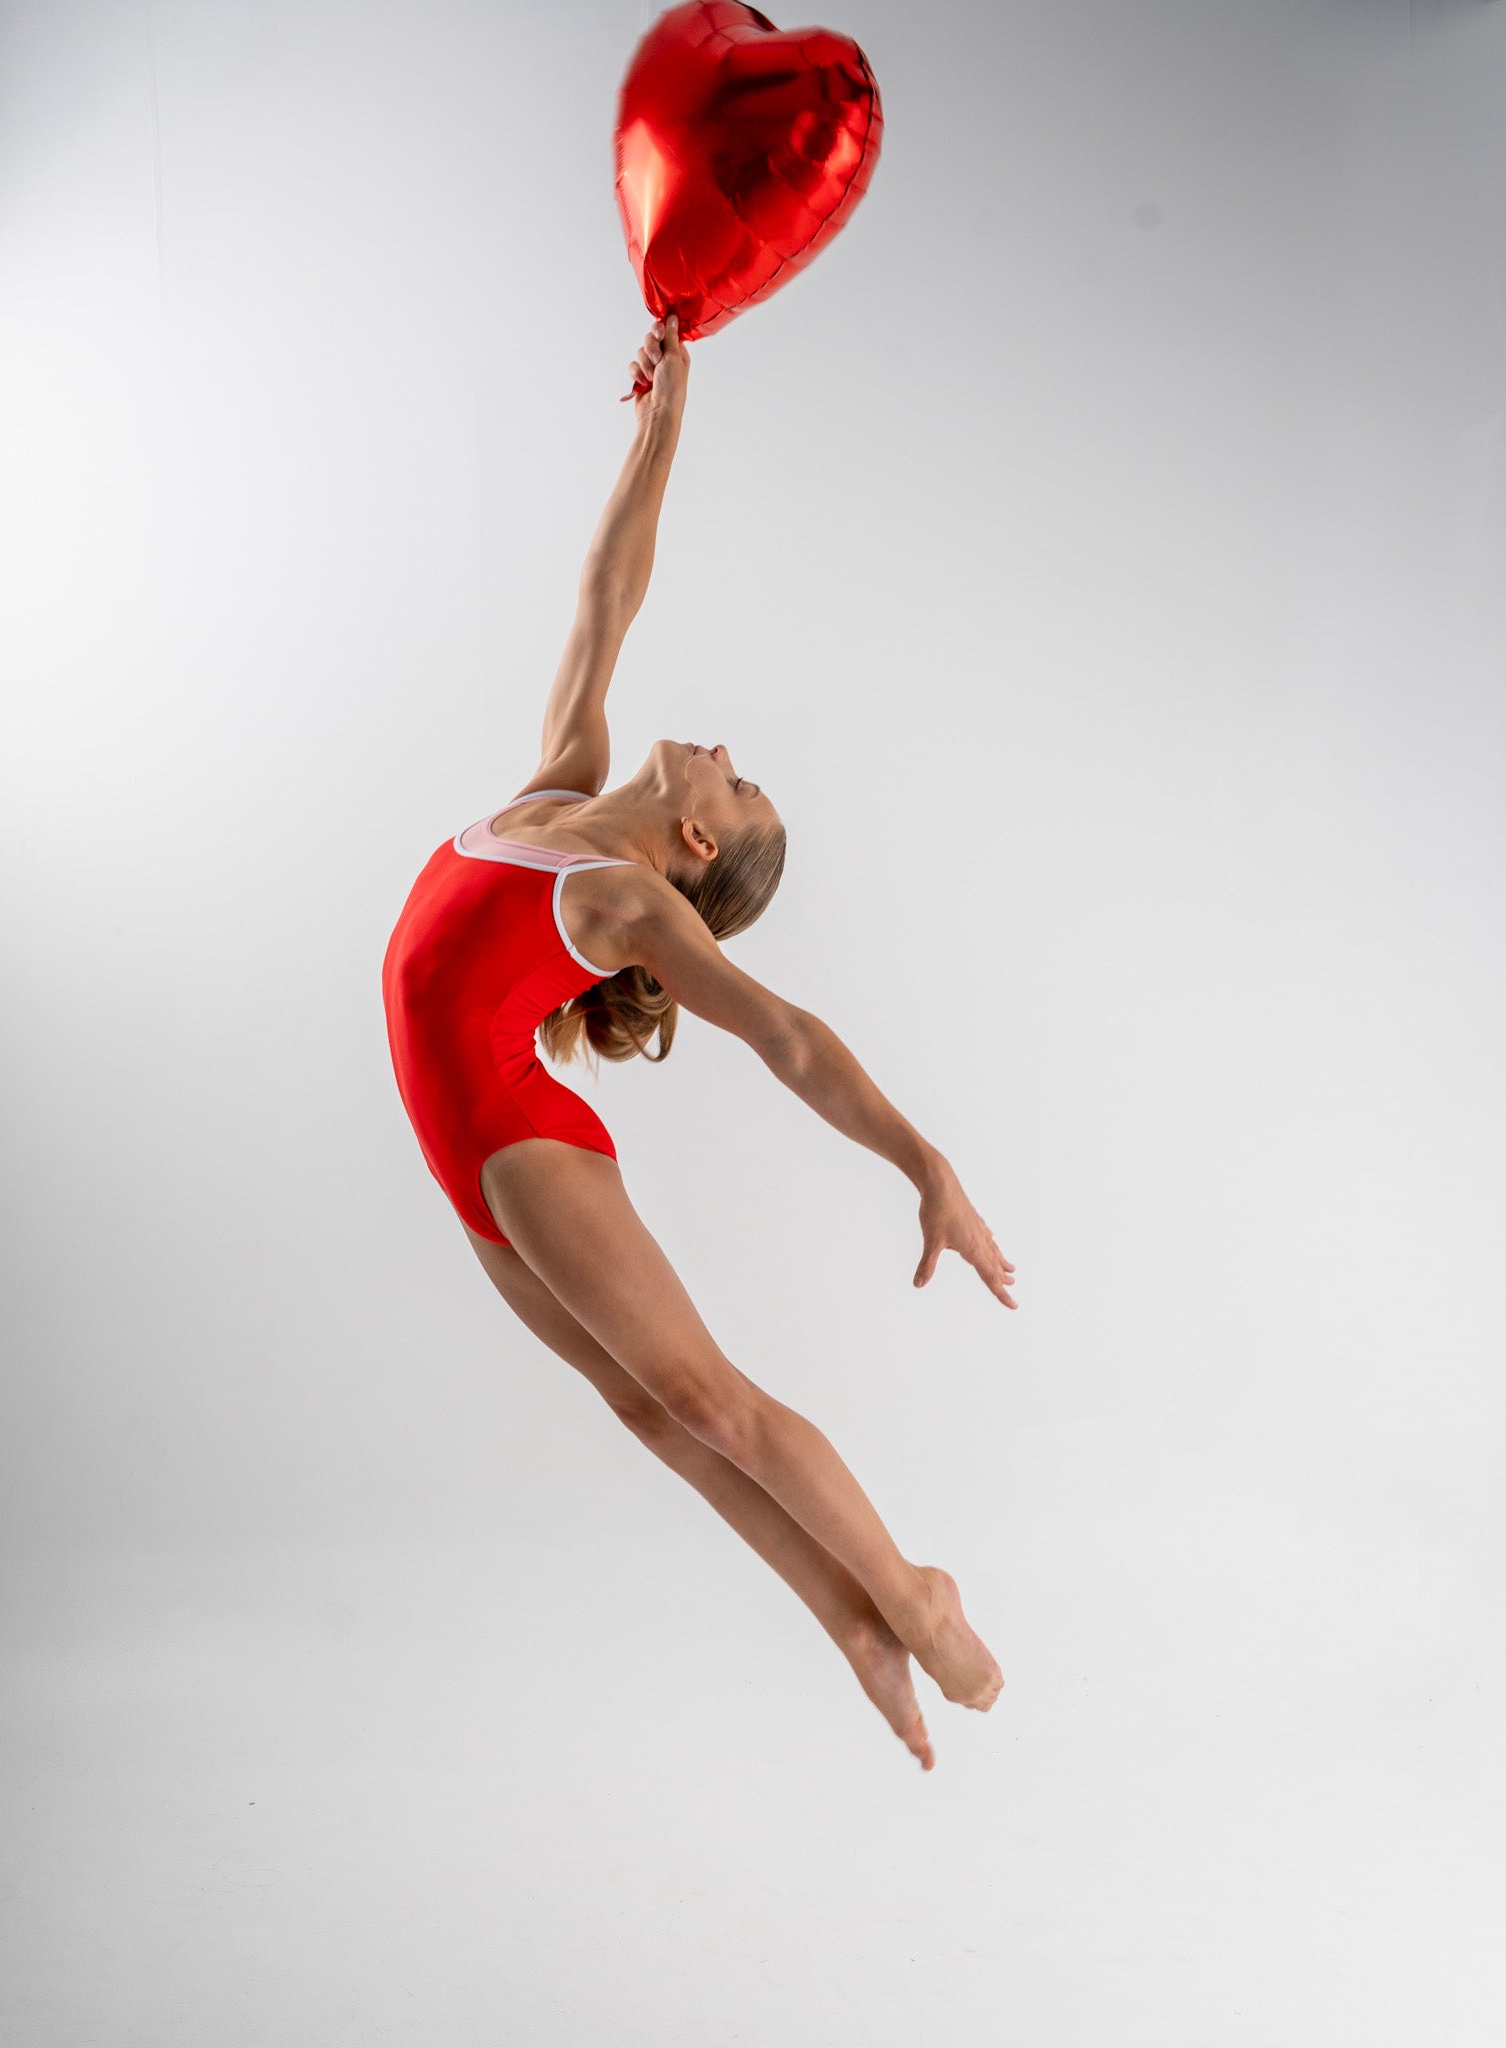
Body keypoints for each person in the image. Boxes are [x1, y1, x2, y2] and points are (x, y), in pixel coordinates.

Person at [382, 313, 1016, 1771]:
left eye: (742, 788)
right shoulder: (553, 795)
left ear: (693, 843)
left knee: (700, 1396)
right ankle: (849, 1621)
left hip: (516, 1138)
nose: (726, 756)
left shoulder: (613, 905)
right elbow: (606, 594)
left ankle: (912, 1591)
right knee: (648, 1414)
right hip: (461, 1142)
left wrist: (923, 1160)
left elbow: (788, 1040)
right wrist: (662, 423)